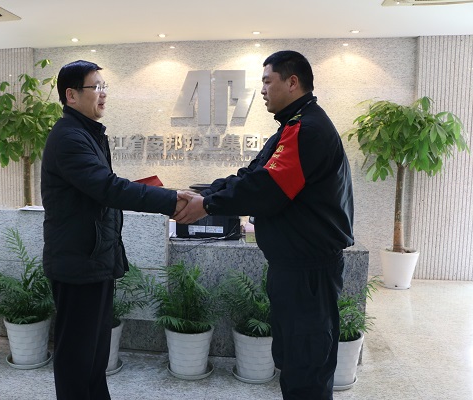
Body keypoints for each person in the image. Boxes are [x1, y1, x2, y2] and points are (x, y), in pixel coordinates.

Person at [175, 50, 354, 399]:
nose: (262, 90)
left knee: (307, 369)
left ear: (293, 82)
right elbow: (252, 175)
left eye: (267, 81)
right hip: (294, 269)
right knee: (294, 361)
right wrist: (205, 192)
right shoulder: (292, 126)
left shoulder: (307, 129)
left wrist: (207, 205)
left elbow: (267, 189)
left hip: (308, 274)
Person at [41, 60, 187, 399]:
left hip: (94, 259)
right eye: (96, 87)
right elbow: (108, 188)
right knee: (77, 356)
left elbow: (103, 190)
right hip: (78, 264)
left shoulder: (87, 133)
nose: (103, 93)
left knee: (94, 355)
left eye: (104, 86)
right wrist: (171, 199)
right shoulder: (69, 137)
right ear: (71, 95)